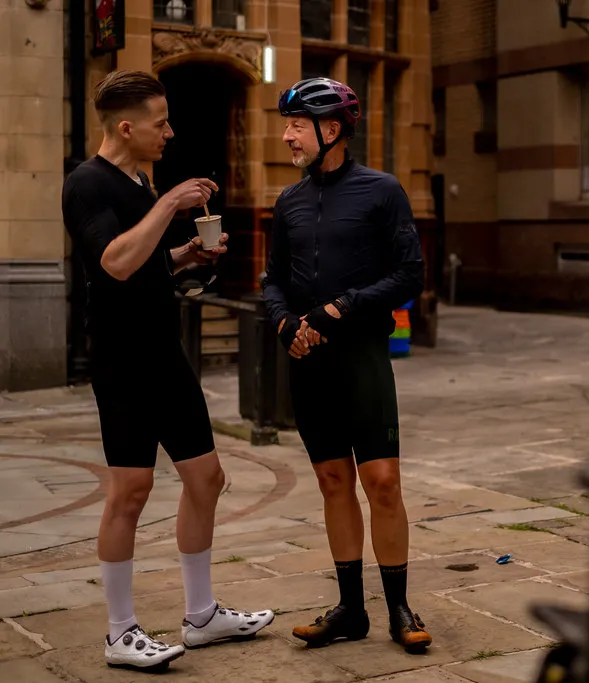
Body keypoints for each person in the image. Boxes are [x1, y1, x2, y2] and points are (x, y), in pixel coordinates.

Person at [61, 70, 274, 672]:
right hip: (123, 361)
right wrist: (171, 203)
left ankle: (202, 615)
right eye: (161, 122)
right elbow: (116, 262)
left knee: (207, 479)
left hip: (164, 353)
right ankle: (120, 632)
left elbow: (147, 259)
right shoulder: (86, 184)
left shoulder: (136, 176)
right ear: (126, 127)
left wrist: (185, 253)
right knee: (130, 491)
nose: (170, 132)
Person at [261, 77, 430, 652]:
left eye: (295, 126)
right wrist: (286, 324)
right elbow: (272, 280)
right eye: (286, 125)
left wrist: (341, 307)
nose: (286, 136)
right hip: (307, 360)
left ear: (331, 130)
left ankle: (400, 608)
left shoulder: (382, 191)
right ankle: (351, 610)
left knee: (381, 481)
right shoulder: (287, 202)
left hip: (361, 354)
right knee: (333, 481)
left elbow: (410, 273)